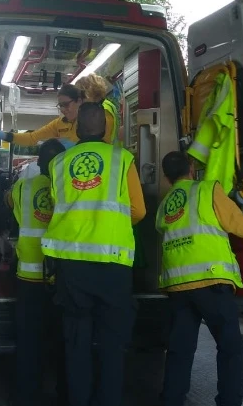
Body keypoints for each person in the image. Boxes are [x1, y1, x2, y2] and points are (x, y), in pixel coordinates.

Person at [155, 151, 243, 406]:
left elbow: (166, 231)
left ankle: (171, 400)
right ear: (191, 168)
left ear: (167, 178)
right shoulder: (207, 190)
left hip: (178, 286)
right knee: (230, 348)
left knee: (180, 350)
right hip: (211, 282)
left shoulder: (166, 202)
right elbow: (241, 226)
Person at [41, 102, 146, 406]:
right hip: (112, 265)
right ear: (105, 128)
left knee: (77, 344)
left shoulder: (59, 164)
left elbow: (57, 206)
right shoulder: (122, 159)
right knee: (113, 347)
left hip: (71, 267)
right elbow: (138, 210)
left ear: (75, 128)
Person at [6, 138, 68, 406]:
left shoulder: (23, 186)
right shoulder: (69, 189)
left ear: (39, 162)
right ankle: (65, 393)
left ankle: (26, 395)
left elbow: (10, 206)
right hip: (60, 275)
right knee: (65, 339)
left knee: (30, 341)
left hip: (28, 276)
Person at [0, 82, 116, 147]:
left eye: (66, 104)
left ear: (79, 101)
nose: (63, 109)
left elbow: (101, 146)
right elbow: (32, 138)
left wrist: (72, 146)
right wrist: (3, 135)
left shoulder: (97, 119)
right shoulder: (60, 123)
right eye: (60, 106)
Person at [75, 74, 120, 145]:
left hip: (102, 152)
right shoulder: (107, 105)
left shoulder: (101, 111)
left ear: (87, 93)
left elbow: (103, 138)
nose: (78, 101)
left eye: (80, 96)